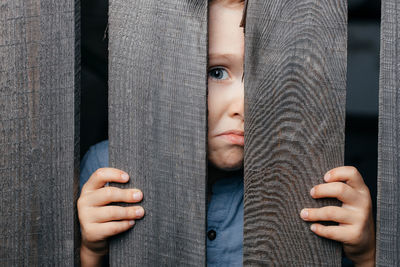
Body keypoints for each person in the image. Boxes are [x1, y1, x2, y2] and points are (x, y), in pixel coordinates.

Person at [78, 0, 376, 266]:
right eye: (217, 72)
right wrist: (90, 252)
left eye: (268, 75)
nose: (244, 106)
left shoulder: (318, 181)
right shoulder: (109, 171)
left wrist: (366, 256)